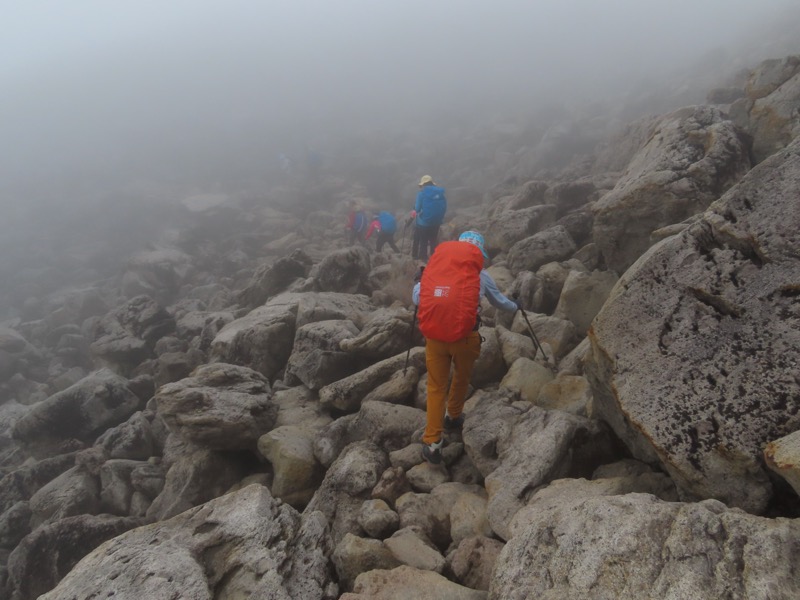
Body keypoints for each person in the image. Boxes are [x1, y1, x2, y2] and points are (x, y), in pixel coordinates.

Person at [412, 231, 518, 464]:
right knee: (461, 377)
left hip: (435, 339)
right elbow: (499, 302)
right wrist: (516, 307)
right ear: (478, 253)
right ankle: (454, 416)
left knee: (436, 387)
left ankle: (432, 442)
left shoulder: (434, 270)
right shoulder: (481, 274)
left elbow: (417, 298)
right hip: (465, 337)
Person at [412, 175, 447, 261]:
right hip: (437, 222)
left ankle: (423, 259)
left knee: (423, 241)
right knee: (433, 241)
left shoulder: (422, 194)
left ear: (423, 184)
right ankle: (434, 258)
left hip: (424, 223)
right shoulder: (440, 193)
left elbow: (417, 209)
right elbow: (444, 206)